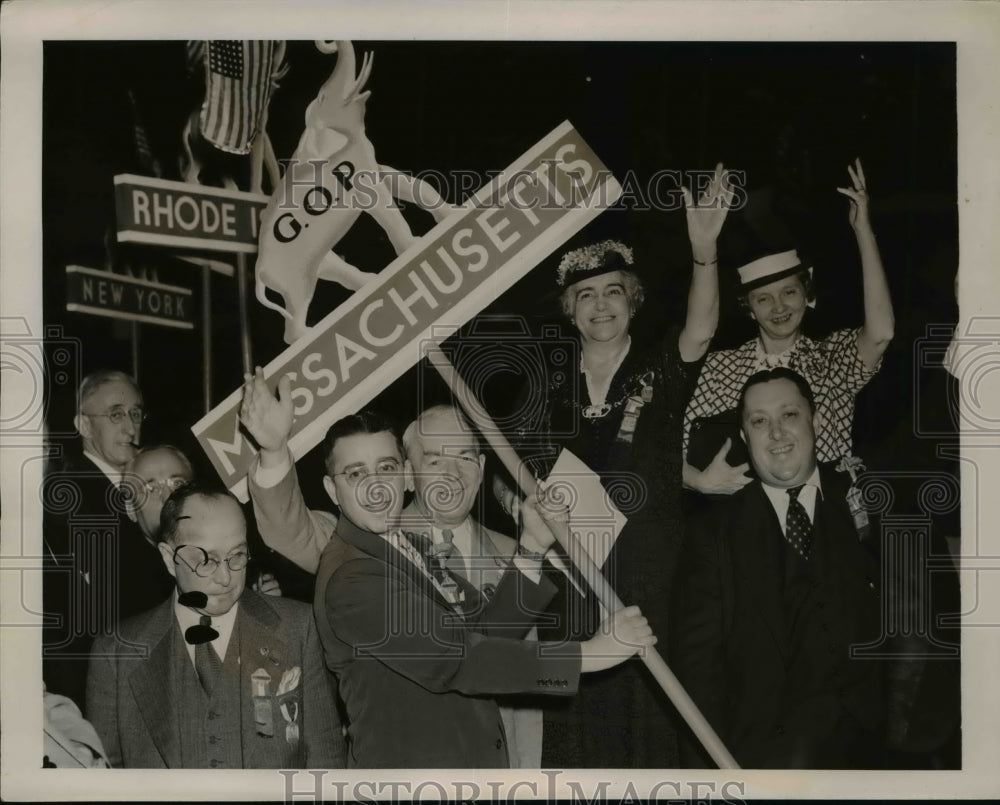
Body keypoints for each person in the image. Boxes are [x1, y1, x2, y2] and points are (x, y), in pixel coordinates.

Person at [513, 166, 732, 767]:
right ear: (570, 309)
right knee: (580, 726)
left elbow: (703, 326)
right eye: (586, 294)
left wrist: (704, 254)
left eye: (612, 290)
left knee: (651, 724)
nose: (600, 304)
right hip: (575, 579)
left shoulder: (661, 369)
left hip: (651, 579)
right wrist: (521, 508)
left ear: (632, 299)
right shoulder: (549, 387)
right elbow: (526, 477)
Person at [305, 410, 655, 768]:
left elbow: (487, 633)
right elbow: (458, 659)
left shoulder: (409, 547)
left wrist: (532, 545)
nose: (375, 487)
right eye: (356, 474)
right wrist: (592, 655)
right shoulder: (351, 577)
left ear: (407, 477)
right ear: (333, 489)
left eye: (386, 468)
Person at [242, 373, 545, 765]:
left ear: (482, 466)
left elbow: (512, 654)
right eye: (435, 458)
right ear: (412, 471)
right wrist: (274, 451)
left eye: (465, 457)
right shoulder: (358, 547)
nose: (452, 473)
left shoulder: (515, 552)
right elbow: (289, 529)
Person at [670, 368, 885, 768]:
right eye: (759, 421)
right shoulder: (712, 534)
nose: (776, 433)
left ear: (816, 420)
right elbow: (697, 673)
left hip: (876, 753)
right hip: (769, 761)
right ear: (745, 434)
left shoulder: (869, 499)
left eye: (789, 415)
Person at [85, 484, 344, 769]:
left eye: (236, 556)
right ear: (169, 558)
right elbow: (103, 782)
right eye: (205, 560)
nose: (225, 577)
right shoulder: (117, 652)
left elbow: (325, 759)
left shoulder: (299, 627)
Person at [684, 159, 895, 494]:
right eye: (764, 299)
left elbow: (881, 332)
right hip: (750, 529)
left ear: (806, 294)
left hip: (827, 517)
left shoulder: (832, 358)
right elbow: (661, 443)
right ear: (749, 309)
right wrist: (697, 480)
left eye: (789, 292)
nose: (779, 307)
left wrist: (863, 230)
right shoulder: (719, 368)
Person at [42, 370, 166, 709]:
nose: (130, 426)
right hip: (105, 681)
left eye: (136, 414)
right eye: (115, 414)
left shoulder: (141, 485)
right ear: (84, 426)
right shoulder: (70, 495)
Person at [123, 444, 282, 597]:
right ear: (130, 508)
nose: (168, 497)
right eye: (151, 488)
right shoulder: (122, 583)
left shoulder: (233, 549)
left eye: (178, 483)